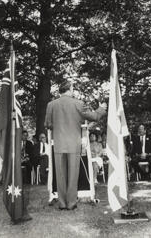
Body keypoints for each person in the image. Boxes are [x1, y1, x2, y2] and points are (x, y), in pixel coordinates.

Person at [45, 79, 106, 210]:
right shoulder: (78, 103)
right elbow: (94, 116)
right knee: (73, 174)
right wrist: (102, 109)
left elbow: (48, 124)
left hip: (59, 144)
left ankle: (62, 203)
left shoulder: (51, 105)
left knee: (60, 175)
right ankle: (71, 203)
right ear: (70, 89)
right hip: (74, 144)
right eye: (73, 88)